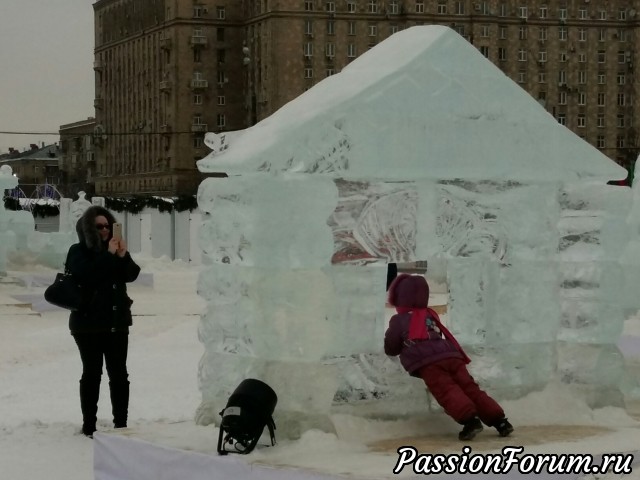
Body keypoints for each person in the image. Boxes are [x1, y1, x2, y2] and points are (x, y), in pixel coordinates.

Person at [384, 273, 513, 441]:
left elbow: (392, 347)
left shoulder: (398, 320)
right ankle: (500, 421)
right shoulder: (429, 315)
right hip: (451, 355)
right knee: (470, 388)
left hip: (430, 363)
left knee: (446, 390)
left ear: (399, 298)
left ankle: (470, 421)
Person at [65, 206, 141, 438]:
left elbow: (131, 274)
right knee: (92, 373)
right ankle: (89, 424)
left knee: (119, 374)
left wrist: (123, 256)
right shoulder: (78, 251)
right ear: (88, 229)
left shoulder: (114, 251)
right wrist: (108, 256)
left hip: (117, 322)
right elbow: (89, 275)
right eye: (99, 226)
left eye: (108, 225)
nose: (105, 230)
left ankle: (121, 422)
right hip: (87, 324)